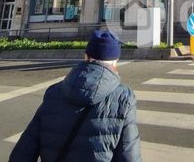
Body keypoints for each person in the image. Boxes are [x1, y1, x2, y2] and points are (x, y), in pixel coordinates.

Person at [10, 30, 140, 162]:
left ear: (86, 56)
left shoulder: (53, 92)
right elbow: (129, 155)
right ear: (116, 61)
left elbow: (23, 152)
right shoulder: (124, 98)